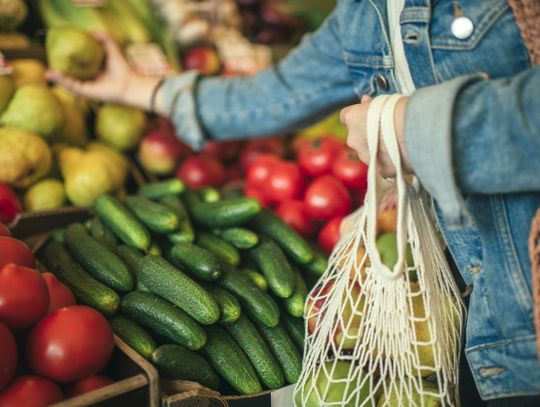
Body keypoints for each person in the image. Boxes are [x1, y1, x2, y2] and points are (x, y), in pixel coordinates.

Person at [48, 1, 540, 405]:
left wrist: (422, 131)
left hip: (528, 326)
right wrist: (134, 87)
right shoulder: (364, 12)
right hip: (464, 322)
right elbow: (278, 94)